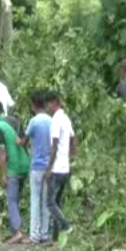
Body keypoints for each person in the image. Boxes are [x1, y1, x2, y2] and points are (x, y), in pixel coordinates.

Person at [0, 101, 31, 243]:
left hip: (13, 168)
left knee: (12, 200)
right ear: (3, 110)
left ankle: (17, 232)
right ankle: (15, 230)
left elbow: (2, 153)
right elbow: (24, 141)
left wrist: (3, 174)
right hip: (25, 165)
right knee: (17, 199)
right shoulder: (15, 120)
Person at [21, 90, 53, 244]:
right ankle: (46, 234)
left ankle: (35, 236)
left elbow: (24, 142)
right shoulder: (51, 121)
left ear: (33, 105)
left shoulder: (34, 122)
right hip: (49, 168)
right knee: (47, 201)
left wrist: (18, 141)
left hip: (36, 167)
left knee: (35, 200)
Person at [45, 93, 76, 240]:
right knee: (57, 202)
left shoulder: (56, 120)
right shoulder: (66, 119)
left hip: (57, 169)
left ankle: (66, 225)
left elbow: (54, 146)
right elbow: (73, 139)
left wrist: (49, 169)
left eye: (48, 104)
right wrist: (70, 158)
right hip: (65, 169)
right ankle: (55, 238)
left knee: (50, 203)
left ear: (54, 103)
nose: (46, 108)